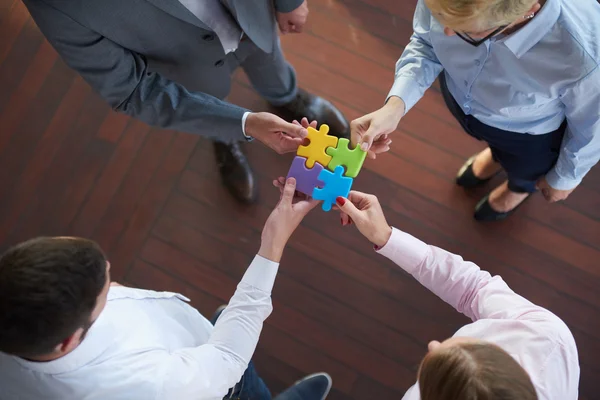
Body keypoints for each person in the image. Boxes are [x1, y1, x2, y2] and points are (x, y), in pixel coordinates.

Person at [0, 178, 332, 400]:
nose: (115, 286)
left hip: (186, 347)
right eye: (107, 290)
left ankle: (217, 328)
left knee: (224, 329)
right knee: (241, 374)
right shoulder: (148, 384)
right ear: (70, 340)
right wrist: (274, 240)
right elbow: (228, 357)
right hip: (219, 384)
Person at [22, 0, 350, 205]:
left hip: (254, 13)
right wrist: (242, 123)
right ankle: (226, 136)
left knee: (271, 62)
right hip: (187, 70)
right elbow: (131, 89)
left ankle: (286, 96)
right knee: (209, 105)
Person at [351, 0, 600, 221]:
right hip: (463, 100)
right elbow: (426, 43)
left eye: (468, 32)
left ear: (527, 13)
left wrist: (564, 178)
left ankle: (518, 188)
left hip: (529, 135)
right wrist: (396, 106)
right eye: (440, 17)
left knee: (526, 170)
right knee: (494, 145)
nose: (446, 33)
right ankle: (495, 155)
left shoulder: (585, 54)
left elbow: (592, 127)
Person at [332, 189, 579, 399]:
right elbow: (472, 289)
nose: (433, 345)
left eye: (433, 372)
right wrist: (386, 237)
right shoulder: (548, 338)